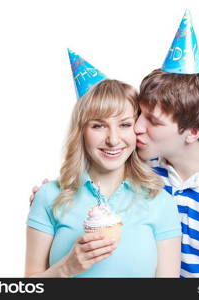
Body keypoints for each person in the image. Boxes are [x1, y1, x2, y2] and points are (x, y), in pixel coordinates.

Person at [30, 11, 199, 278]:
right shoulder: (144, 169)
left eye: (152, 120)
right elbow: (93, 178)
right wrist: (53, 200)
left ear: (193, 131)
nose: (137, 127)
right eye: (139, 115)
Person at [25, 50, 182, 278]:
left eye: (125, 125)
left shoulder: (160, 202)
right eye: (98, 126)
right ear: (81, 132)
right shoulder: (49, 197)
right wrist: (66, 268)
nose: (113, 139)